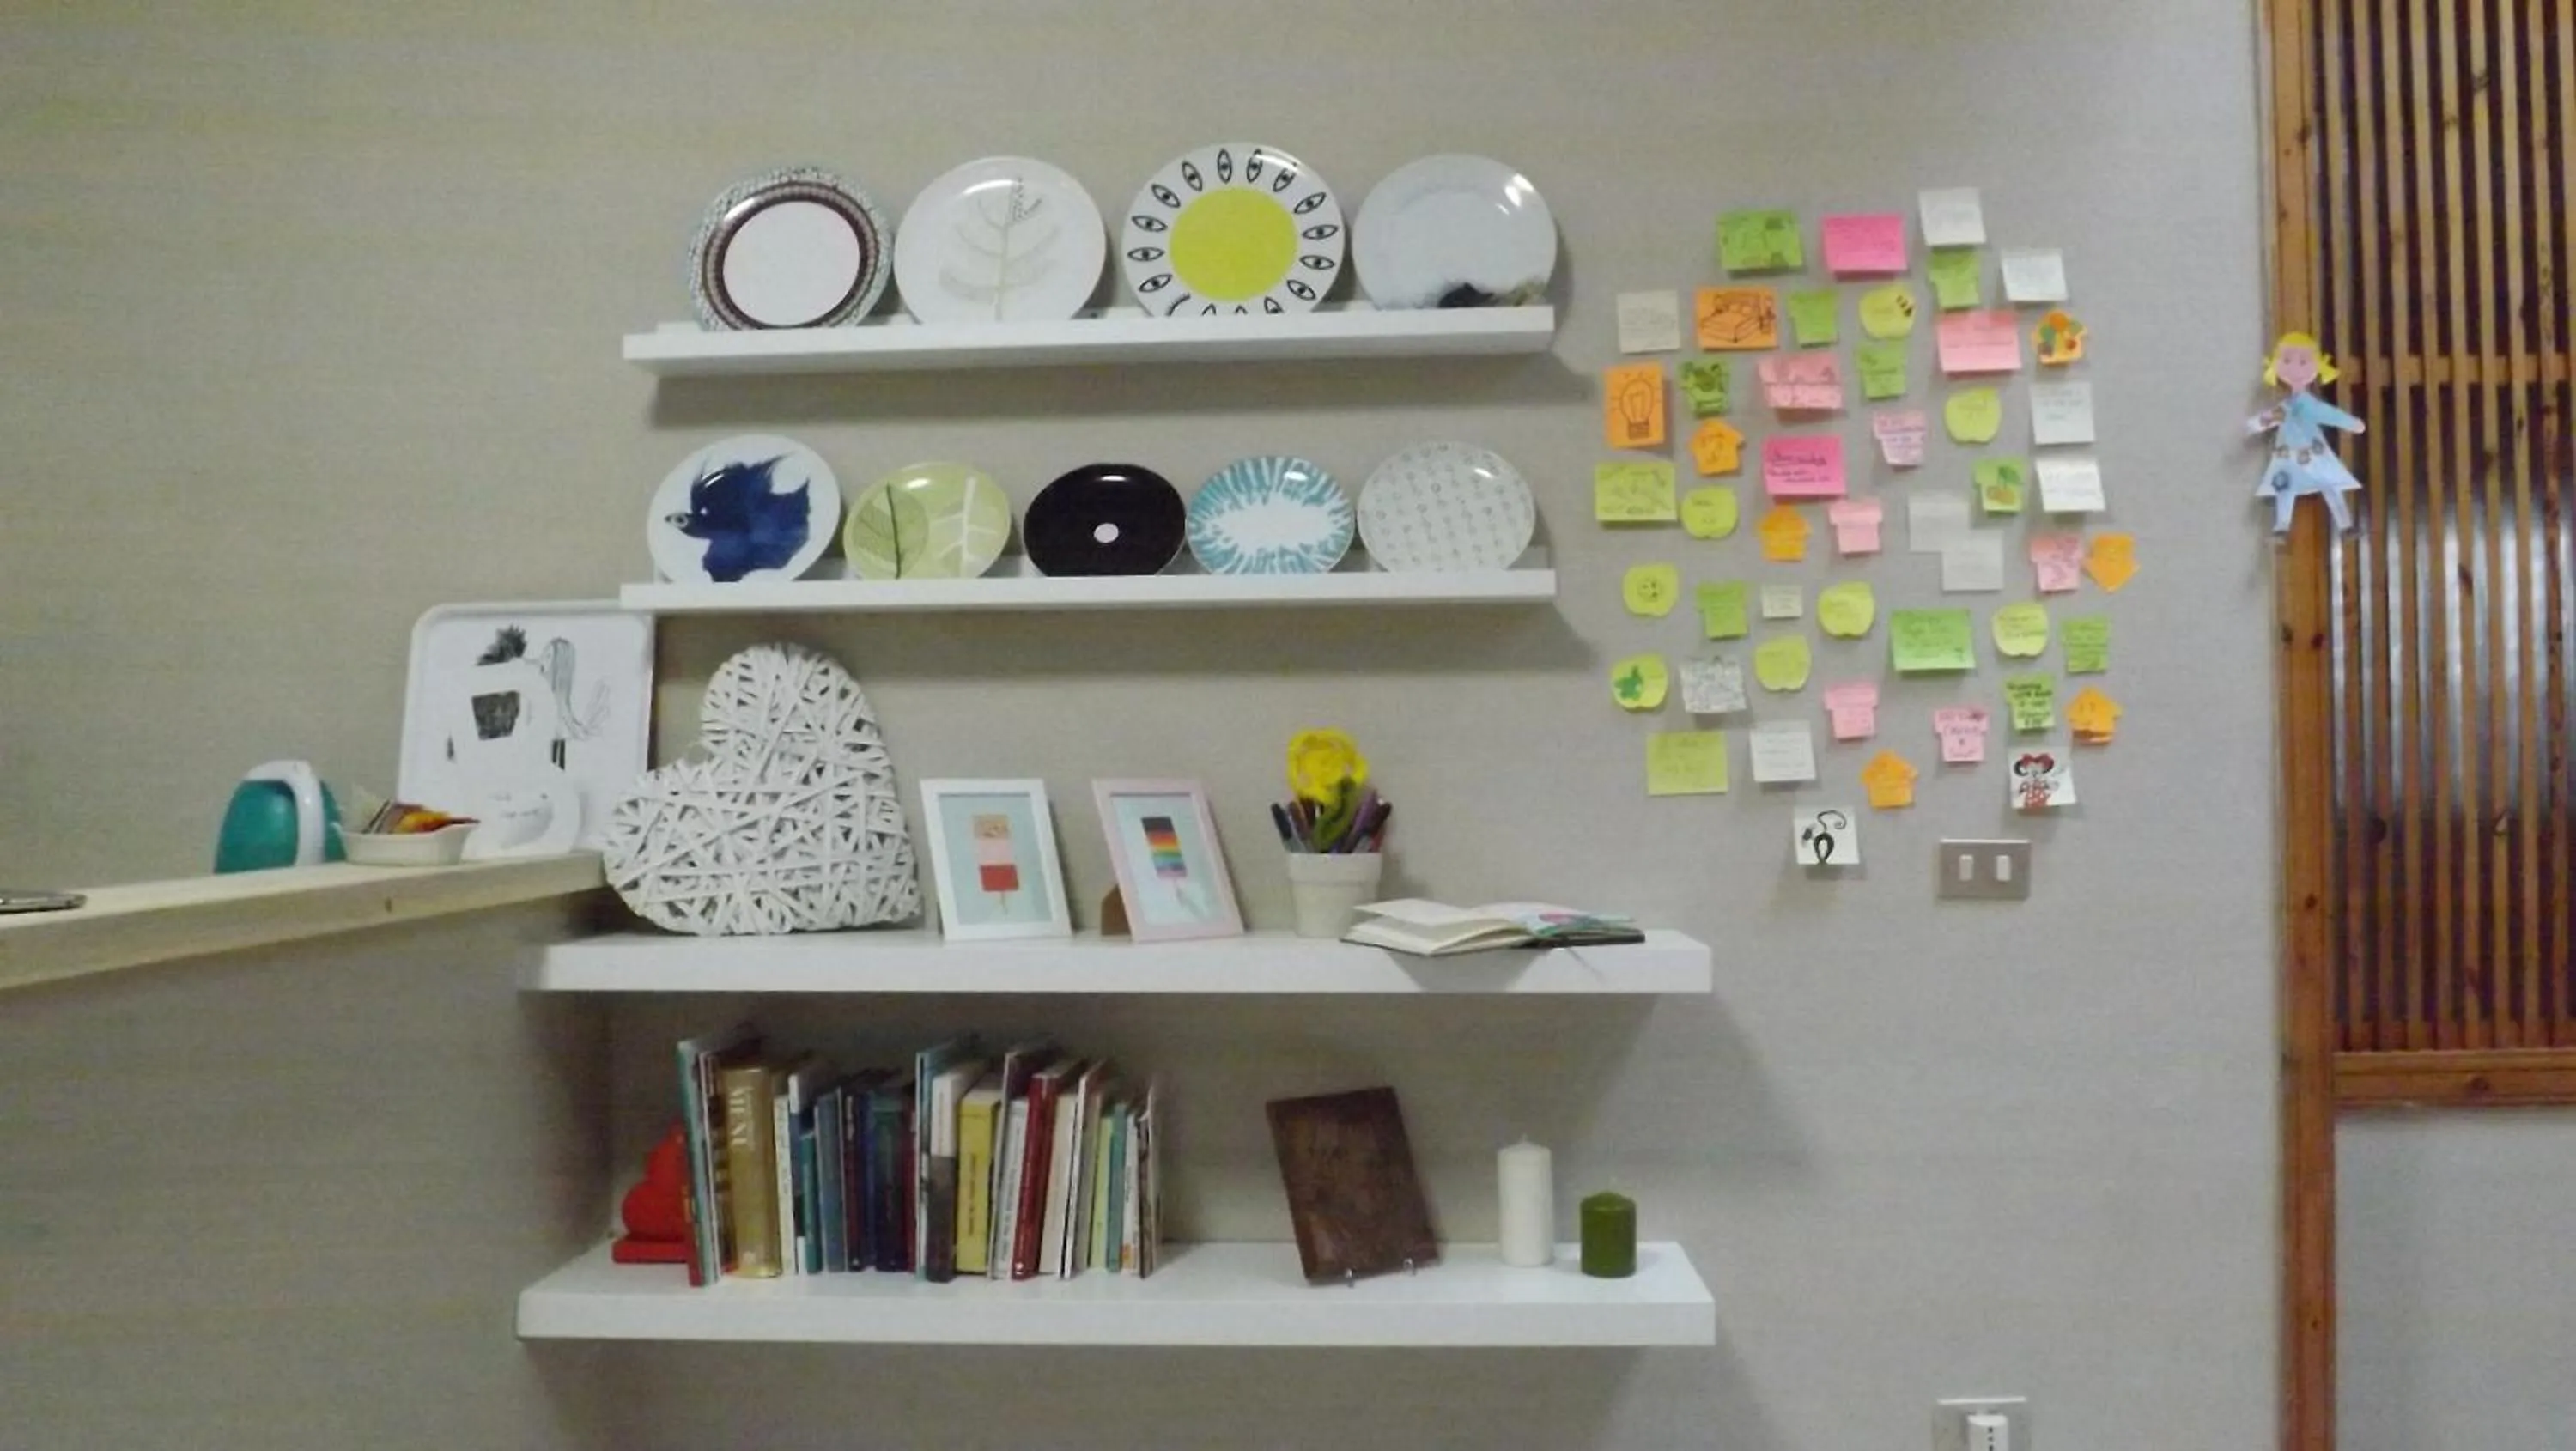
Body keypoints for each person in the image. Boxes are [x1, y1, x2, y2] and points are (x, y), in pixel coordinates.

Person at [2248, 331, 2366, 532]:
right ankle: (2283, 526)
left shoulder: (2306, 405)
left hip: (2309, 452)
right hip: (2293, 454)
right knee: (2293, 486)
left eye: (2304, 362)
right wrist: (2254, 424)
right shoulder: (2285, 407)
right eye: (2287, 361)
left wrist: (2351, 423)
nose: (2295, 369)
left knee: (2318, 485)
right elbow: (2267, 419)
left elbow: (2329, 414)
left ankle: (2342, 525)